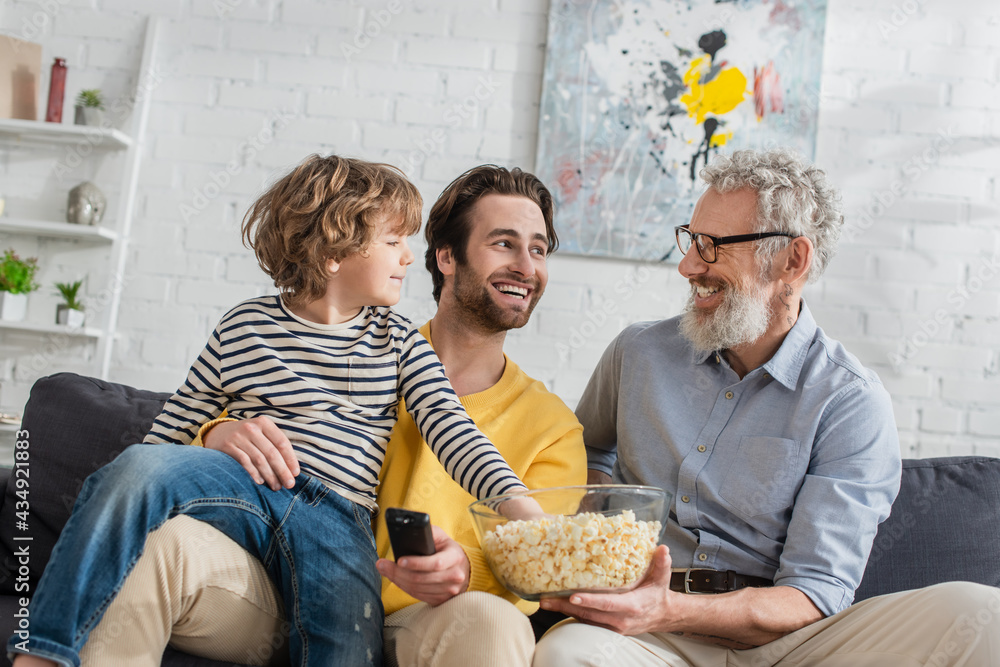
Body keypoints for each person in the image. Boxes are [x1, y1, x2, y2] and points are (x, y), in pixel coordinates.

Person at [9, 155, 542, 667]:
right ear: (336, 253)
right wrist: (182, 458)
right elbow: (172, 428)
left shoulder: (398, 340)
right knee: (135, 468)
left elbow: (453, 431)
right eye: (393, 240)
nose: (409, 255)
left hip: (337, 513)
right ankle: (44, 648)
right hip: (242, 487)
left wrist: (522, 509)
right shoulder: (242, 326)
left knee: (347, 649)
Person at [532, 148, 999, 666]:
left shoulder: (850, 401)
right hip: (646, 638)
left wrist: (669, 609)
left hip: (791, 644)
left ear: (792, 261)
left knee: (981, 612)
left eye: (712, 247)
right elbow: (584, 454)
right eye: (691, 239)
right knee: (566, 652)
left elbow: (813, 594)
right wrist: (604, 539)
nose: (689, 266)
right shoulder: (639, 352)